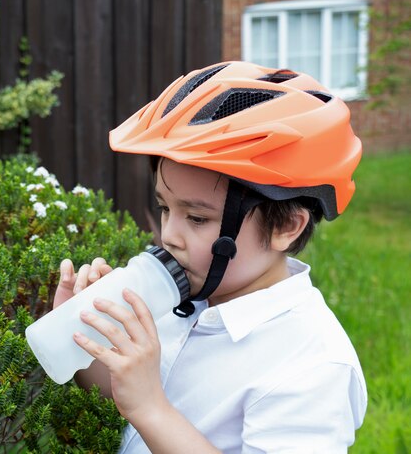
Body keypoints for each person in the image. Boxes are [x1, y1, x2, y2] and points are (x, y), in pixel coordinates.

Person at [52, 61, 367, 453]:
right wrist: (82, 337)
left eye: (197, 217)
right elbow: (123, 395)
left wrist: (153, 409)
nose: (169, 235)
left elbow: (147, 407)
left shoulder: (311, 365)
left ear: (286, 226)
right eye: (165, 207)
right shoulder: (184, 299)